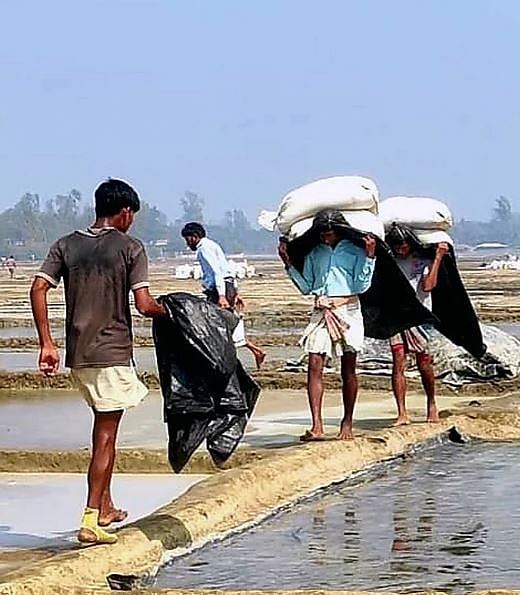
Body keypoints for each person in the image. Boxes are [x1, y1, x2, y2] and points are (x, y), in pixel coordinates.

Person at [30, 179, 166, 545]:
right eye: (132, 215)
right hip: (111, 351)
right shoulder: (130, 248)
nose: (132, 221)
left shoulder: (66, 244)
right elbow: (144, 304)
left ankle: (106, 506)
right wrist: (176, 309)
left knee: (107, 426)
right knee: (105, 437)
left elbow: (38, 287)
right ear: (125, 212)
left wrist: (47, 344)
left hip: (79, 354)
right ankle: (90, 519)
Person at [278, 210, 376, 441]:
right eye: (323, 234)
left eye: (330, 234)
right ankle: (317, 426)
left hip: (348, 310)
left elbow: (362, 285)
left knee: (348, 368)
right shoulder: (315, 253)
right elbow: (306, 286)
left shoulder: (355, 251)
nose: (326, 238)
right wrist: (288, 263)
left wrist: (370, 256)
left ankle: (347, 422)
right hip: (321, 311)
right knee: (314, 364)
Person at [385, 227, 449, 426]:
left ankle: (431, 403)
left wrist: (438, 257)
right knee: (398, 362)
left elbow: (428, 286)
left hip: (420, 316)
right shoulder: (390, 262)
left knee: (424, 363)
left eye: (404, 246)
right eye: (398, 247)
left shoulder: (422, 261)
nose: (401, 250)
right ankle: (402, 412)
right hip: (396, 317)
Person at [180, 222, 266, 368]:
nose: (188, 244)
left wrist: (221, 295)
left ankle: (222, 362)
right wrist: (234, 292)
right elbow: (225, 269)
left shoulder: (203, 249)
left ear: (194, 237)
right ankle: (253, 351)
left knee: (217, 326)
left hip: (219, 290)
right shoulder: (212, 245)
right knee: (227, 323)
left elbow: (217, 272)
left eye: (188, 240)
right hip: (227, 286)